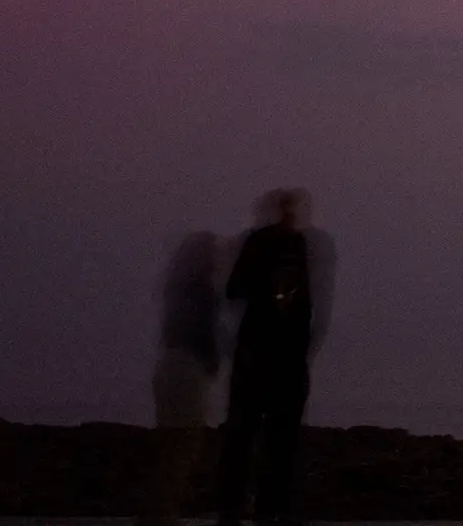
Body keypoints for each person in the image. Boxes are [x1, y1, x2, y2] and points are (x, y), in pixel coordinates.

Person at [218, 190, 331, 526]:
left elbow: (234, 290)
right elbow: (309, 306)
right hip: (283, 357)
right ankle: (267, 506)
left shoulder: (263, 244)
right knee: (277, 439)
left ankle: (237, 506)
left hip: (259, 354)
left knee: (246, 434)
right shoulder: (300, 247)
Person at [141, 231, 221, 526]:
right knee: (183, 445)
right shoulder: (202, 291)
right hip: (188, 371)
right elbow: (203, 336)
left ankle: (157, 512)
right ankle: (162, 514)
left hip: (169, 368)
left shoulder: (177, 291)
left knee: (170, 445)